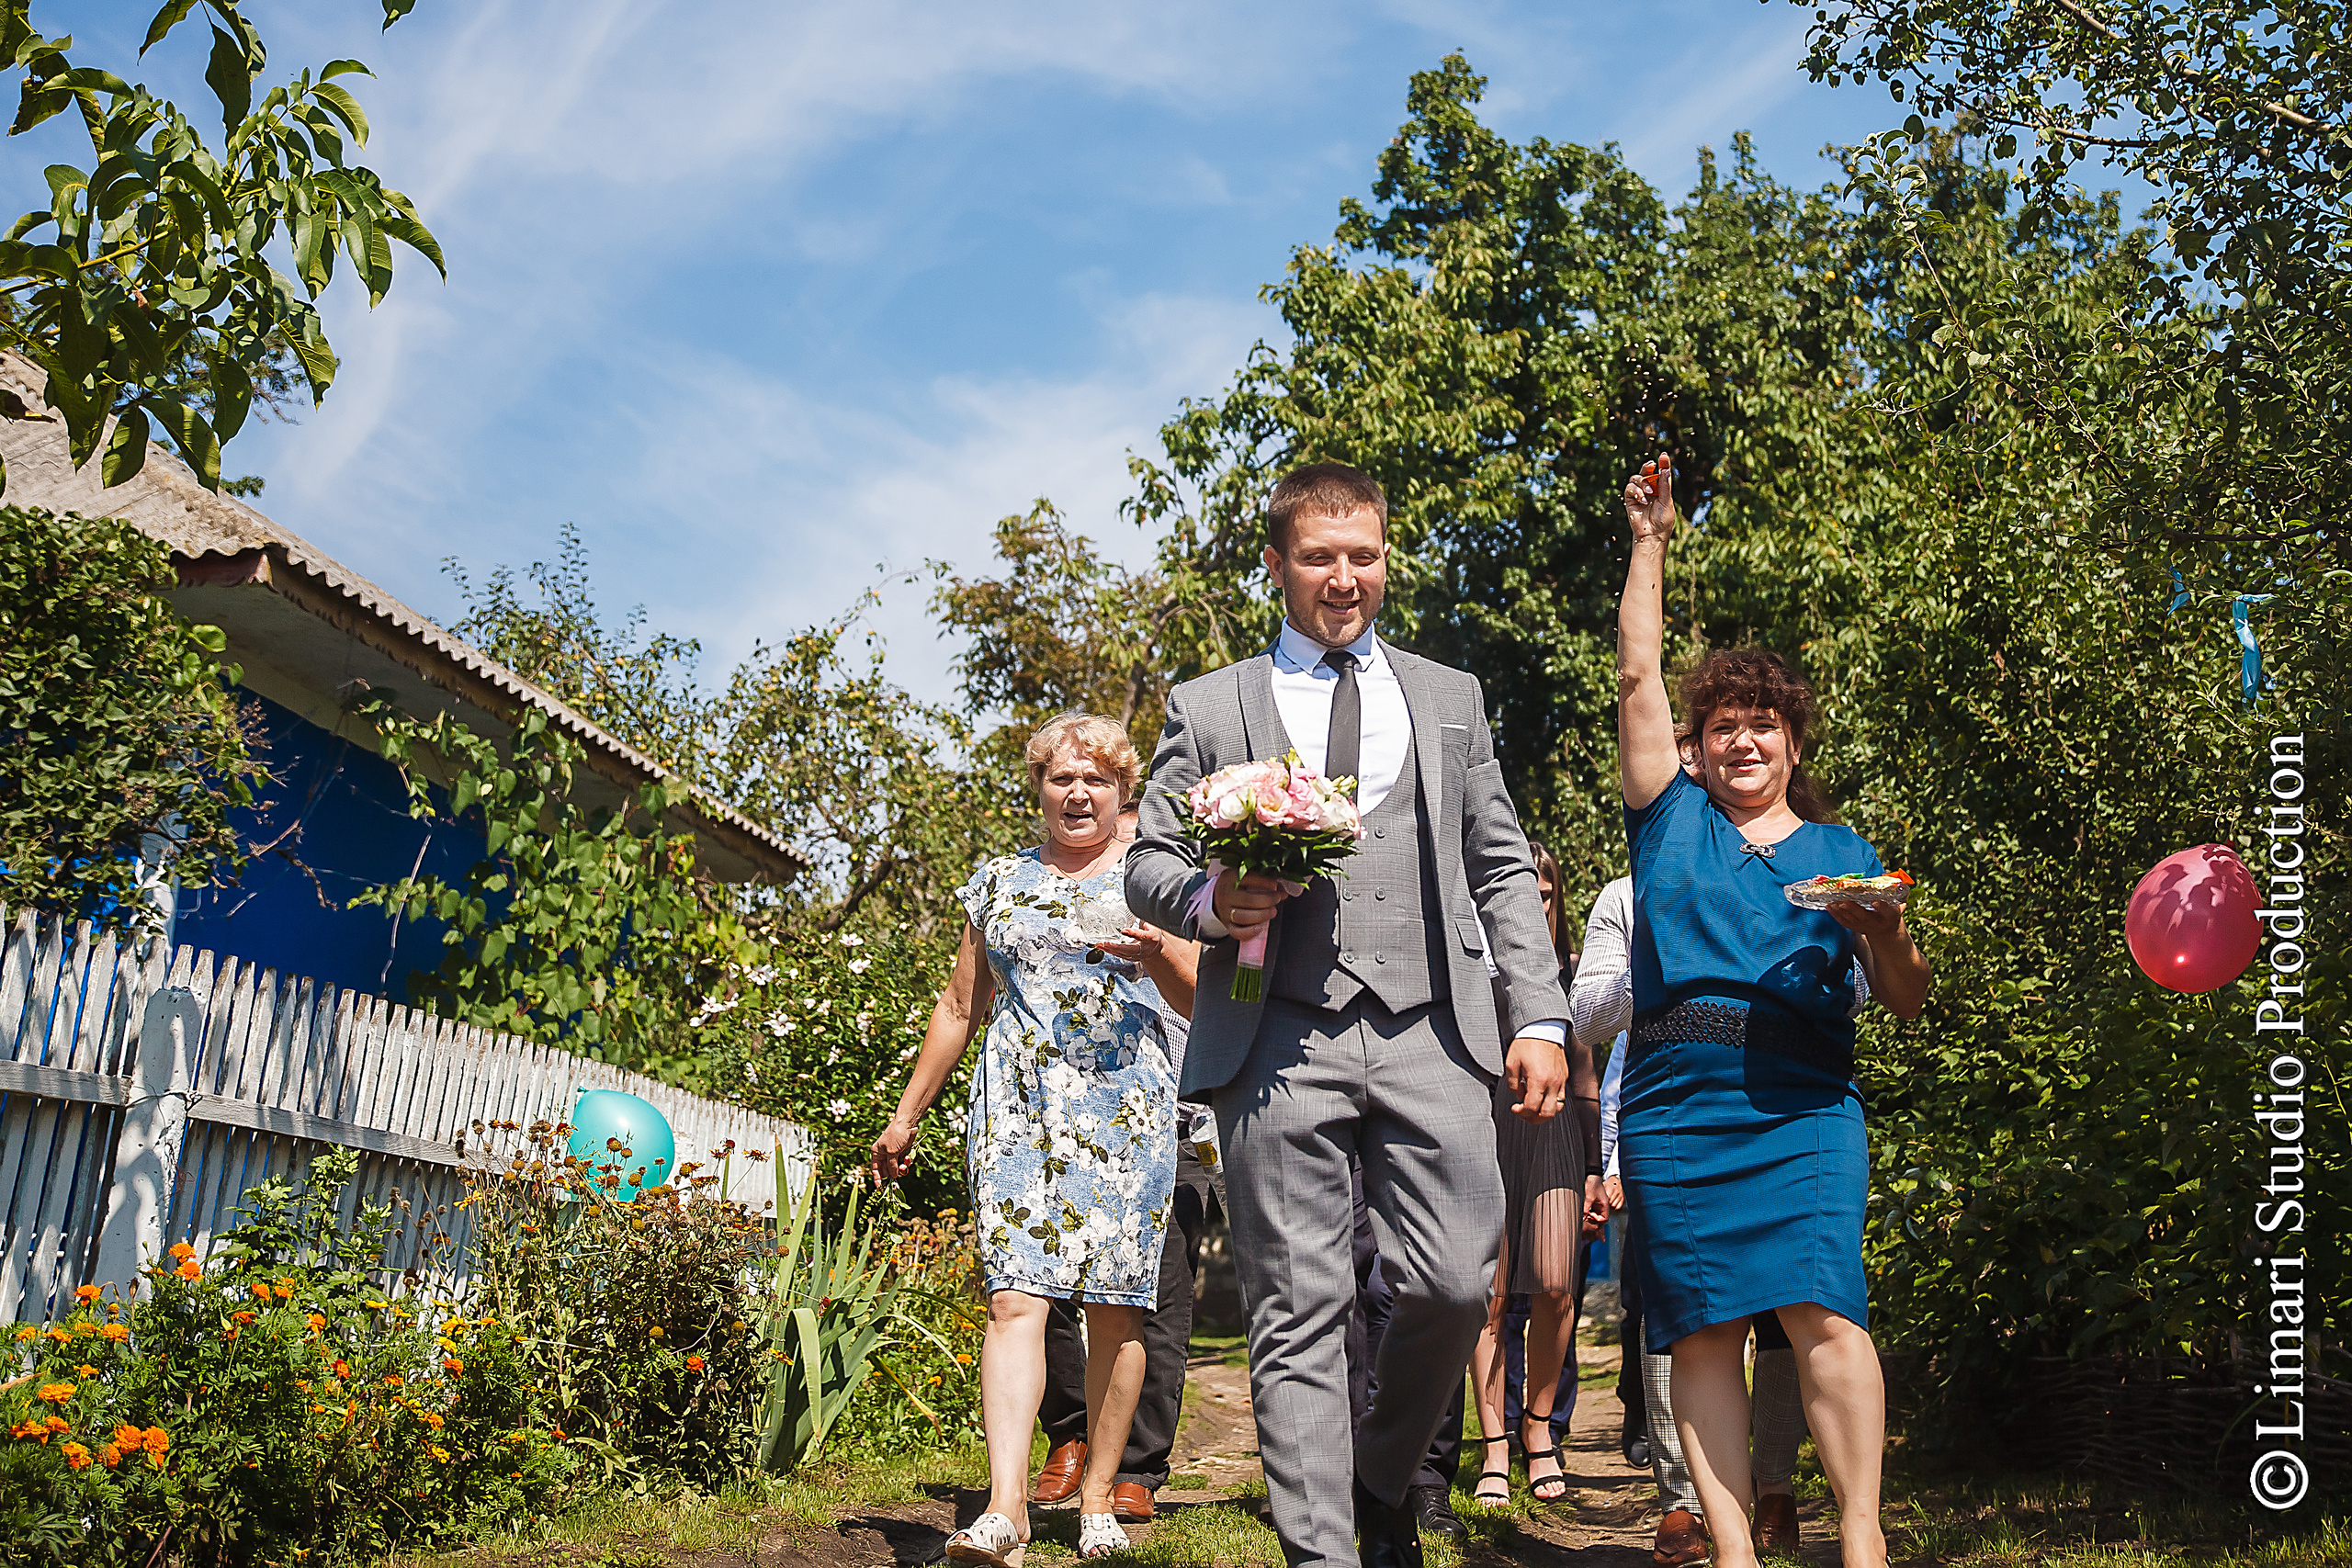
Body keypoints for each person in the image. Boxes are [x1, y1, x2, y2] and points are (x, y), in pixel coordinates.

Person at [1128, 461, 1582, 1568]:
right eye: (1320, 557)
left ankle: (1380, 1475)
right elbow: (1147, 862)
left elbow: (1501, 872)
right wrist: (1207, 899)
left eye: (1364, 556)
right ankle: (1324, 1556)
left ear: (1386, 560)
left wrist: (1539, 1017)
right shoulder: (1209, 703)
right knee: (1299, 1306)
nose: (1345, 577)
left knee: (1449, 1281)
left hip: (1435, 1025)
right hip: (1273, 1030)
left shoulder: (1449, 696)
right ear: (1278, 564)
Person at [1614, 453, 1930, 1568]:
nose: (1741, 741)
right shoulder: (1667, 820)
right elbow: (1639, 678)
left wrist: (1883, 932)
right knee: (1698, 1331)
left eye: (1763, 726)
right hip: (1674, 1105)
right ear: (1697, 748)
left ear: (1794, 743)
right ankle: (1736, 1550)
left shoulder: (1847, 857)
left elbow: (1903, 996)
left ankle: (1858, 1538)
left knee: (1823, 1314)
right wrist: (1650, 542)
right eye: (1723, 728)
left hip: (1804, 1103)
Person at [873, 715, 1195, 1565]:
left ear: (1125, 789)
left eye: (1095, 779)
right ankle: (1007, 1508)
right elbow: (957, 1005)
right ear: (1039, 788)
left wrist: (1160, 950)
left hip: (1127, 1109)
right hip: (1018, 1105)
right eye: (1061, 779)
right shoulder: (1000, 881)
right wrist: (906, 1114)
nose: (1078, 793)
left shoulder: (1159, 881)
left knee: (1116, 1305)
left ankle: (1097, 1500)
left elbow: (1213, 996)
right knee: (1015, 1297)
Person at [1579, 872, 1834, 1562]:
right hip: (1671, 1124)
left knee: (1788, 1311)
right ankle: (1680, 1501)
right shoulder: (1626, 896)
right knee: (1670, 1312)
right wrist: (1608, 1161)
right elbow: (1592, 1017)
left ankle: (1774, 1485)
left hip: (1780, 1113)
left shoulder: (1795, 874)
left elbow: (1853, 988)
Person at [1034, 803, 1216, 1526]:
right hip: (1070, 1129)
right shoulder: (1070, 915)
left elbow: (1218, 1008)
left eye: (1149, 846)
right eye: (1126, 842)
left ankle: (1139, 1466)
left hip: (1176, 1132)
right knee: (1039, 1286)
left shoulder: (1197, 919)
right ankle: (1070, 1438)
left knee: (1159, 1303)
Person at [1467, 840, 1604, 1510]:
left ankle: (1539, 1425)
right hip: (1482, 1130)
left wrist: (1594, 1170)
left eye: (1546, 891)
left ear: (1555, 899)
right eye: (1527, 889)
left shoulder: (1571, 973)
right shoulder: (1469, 967)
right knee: (1489, 1298)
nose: (1537, 900)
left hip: (1552, 1133)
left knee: (1555, 1283)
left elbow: (1585, 1081)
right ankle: (1495, 1446)